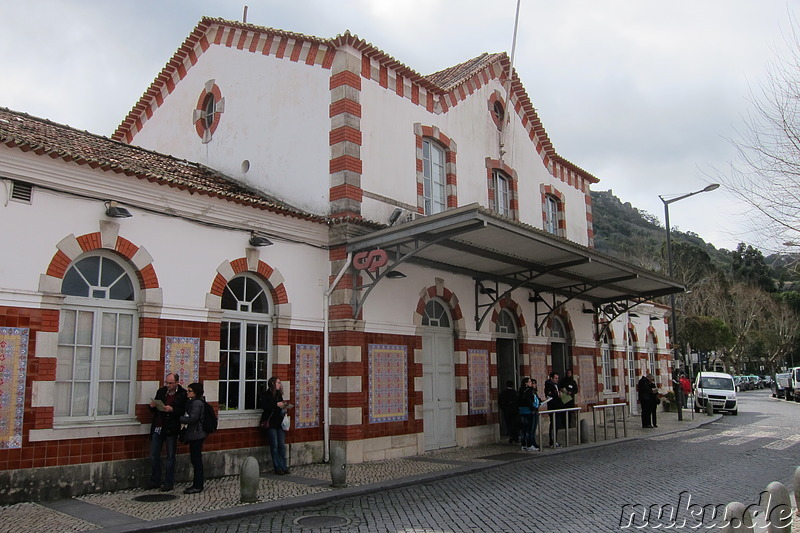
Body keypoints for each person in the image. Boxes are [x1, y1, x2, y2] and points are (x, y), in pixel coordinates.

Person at [148, 372, 187, 492]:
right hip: (158, 425)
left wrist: (172, 410)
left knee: (170, 456)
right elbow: (154, 409)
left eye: (170, 383)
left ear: (177, 383)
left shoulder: (182, 394)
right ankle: (155, 480)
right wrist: (152, 406)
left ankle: (169, 482)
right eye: (167, 382)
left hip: (171, 427)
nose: (168, 385)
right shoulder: (161, 391)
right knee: (154, 454)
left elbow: (184, 410)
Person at [260, 376, 293, 475]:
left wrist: (284, 407)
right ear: (273, 383)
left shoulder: (279, 395)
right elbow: (264, 406)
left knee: (281, 446)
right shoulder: (266, 395)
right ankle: (277, 467)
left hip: (279, 422)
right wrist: (276, 405)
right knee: (274, 445)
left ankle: (283, 466)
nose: (280, 384)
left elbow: (280, 406)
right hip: (271, 423)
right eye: (278, 382)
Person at [179, 382, 207, 494]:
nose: (187, 392)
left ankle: (198, 485)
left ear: (195, 392)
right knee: (195, 459)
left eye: (190, 391)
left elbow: (193, 419)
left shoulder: (196, 404)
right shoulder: (194, 402)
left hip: (197, 434)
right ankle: (197, 484)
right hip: (196, 434)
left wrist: (179, 418)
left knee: (196, 460)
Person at [517, 377, 540, 451]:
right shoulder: (529, 391)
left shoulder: (520, 391)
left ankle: (524, 444)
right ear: (526, 383)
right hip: (529, 411)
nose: (531, 383)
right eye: (529, 382)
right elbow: (529, 401)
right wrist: (533, 408)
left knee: (523, 429)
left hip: (521, 411)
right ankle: (529, 445)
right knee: (529, 429)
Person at [544, 372, 563, 448]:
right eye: (555, 378)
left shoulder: (557, 385)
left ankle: (555, 440)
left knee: (557, 424)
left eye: (557, 378)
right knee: (553, 425)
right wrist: (557, 394)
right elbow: (550, 395)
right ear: (551, 378)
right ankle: (552, 441)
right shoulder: (548, 385)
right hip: (553, 407)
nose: (557, 380)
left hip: (558, 407)